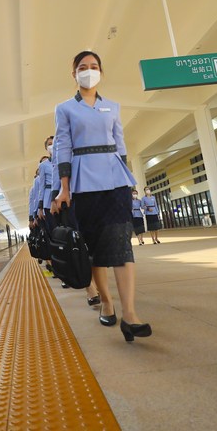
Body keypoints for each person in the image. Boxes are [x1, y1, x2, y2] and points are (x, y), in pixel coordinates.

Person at [51, 50, 151, 342]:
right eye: (83, 67)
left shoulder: (114, 107)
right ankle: (107, 303)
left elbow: (120, 146)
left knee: (122, 244)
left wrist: (129, 179)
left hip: (115, 181)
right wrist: (64, 187)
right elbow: (63, 147)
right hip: (84, 184)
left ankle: (130, 315)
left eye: (94, 67)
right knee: (94, 250)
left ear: (101, 73)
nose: (89, 71)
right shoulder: (65, 108)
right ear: (74, 74)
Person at [40, 134, 100, 305]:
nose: (53, 146)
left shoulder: (73, 150)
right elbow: (52, 180)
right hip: (64, 201)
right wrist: (49, 201)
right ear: (46, 148)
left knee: (91, 244)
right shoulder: (49, 163)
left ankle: (94, 283)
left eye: (55, 143)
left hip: (83, 196)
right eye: (50, 144)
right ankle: (91, 289)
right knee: (76, 243)